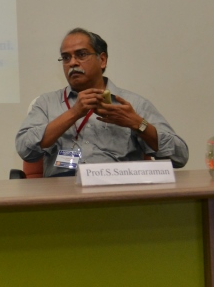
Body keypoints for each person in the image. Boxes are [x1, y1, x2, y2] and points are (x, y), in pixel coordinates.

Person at [16, 28, 189, 176]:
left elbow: (179, 156)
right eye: (66, 57)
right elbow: (25, 150)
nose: (72, 62)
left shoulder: (133, 104)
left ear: (103, 60)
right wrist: (73, 113)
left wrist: (138, 124)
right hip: (63, 194)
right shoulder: (46, 103)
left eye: (81, 55)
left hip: (117, 193)